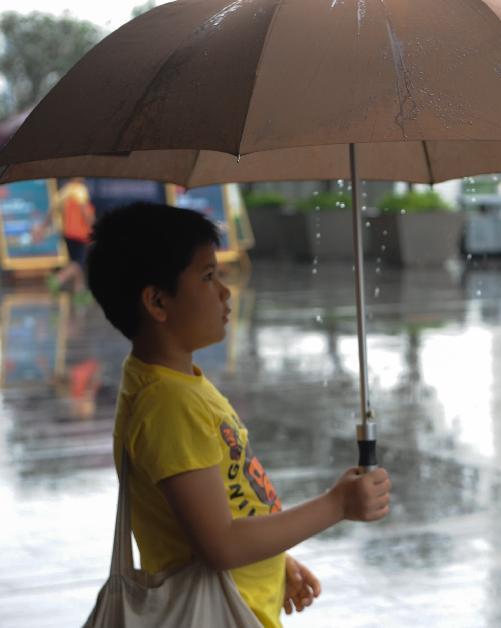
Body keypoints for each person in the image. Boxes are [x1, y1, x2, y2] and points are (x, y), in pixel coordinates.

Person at [86, 203, 392, 627]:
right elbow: (220, 544)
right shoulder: (169, 404)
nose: (225, 292)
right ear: (157, 301)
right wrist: (337, 504)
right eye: (208, 277)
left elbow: (225, 507)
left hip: (241, 603)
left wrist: (273, 558)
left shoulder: (176, 382)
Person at [38, 177, 96, 298]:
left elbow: (51, 211)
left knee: (75, 260)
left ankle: (80, 293)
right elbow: (85, 211)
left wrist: (42, 227)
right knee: (78, 263)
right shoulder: (79, 189)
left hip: (66, 232)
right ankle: (58, 278)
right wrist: (94, 227)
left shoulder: (63, 191)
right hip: (80, 233)